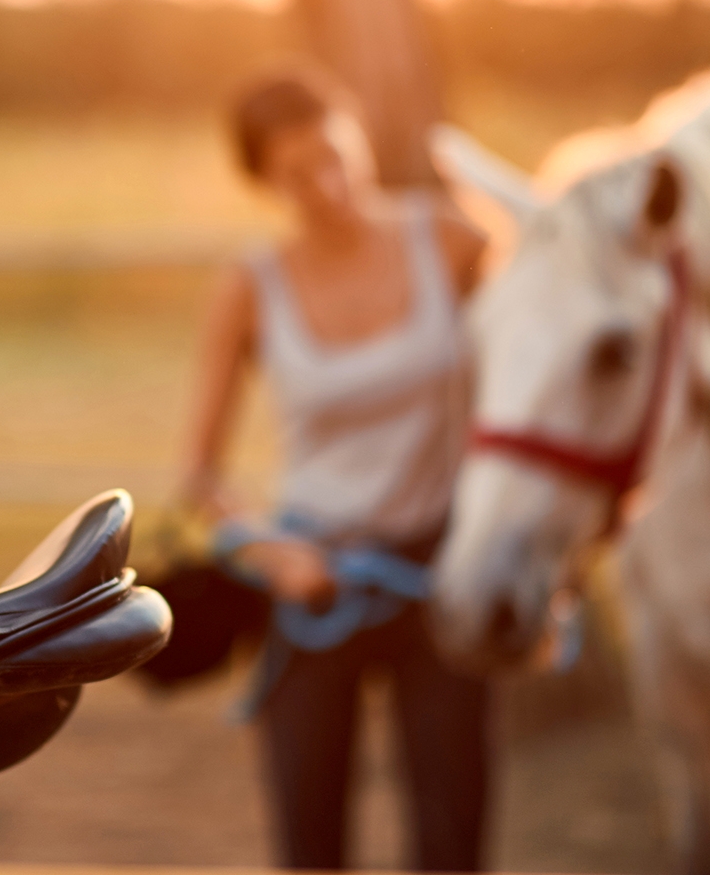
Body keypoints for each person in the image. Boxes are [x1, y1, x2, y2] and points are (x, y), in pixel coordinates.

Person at [179, 68, 490, 871]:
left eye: (334, 156)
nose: (325, 184)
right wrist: (271, 554)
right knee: (311, 843)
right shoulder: (251, 286)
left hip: (439, 570)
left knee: (455, 837)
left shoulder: (453, 241)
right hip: (312, 581)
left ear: (359, 141)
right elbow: (200, 476)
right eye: (294, 173)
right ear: (262, 184)